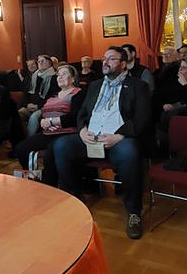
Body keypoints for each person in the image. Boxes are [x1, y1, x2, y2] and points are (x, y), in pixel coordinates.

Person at [51, 46, 151, 239]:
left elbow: (142, 118)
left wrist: (119, 136)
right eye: (104, 58)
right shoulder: (95, 85)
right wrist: (82, 131)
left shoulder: (138, 86)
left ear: (123, 64)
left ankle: (133, 212)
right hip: (91, 137)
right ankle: (74, 196)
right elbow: (82, 114)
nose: (105, 62)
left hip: (118, 138)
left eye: (112, 59)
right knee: (61, 146)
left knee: (129, 152)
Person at [14, 65, 85, 185]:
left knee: (49, 155)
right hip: (48, 132)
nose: (60, 77)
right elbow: (43, 112)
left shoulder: (78, 93)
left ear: (73, 79)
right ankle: (33, 178)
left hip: (67, 133)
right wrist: (43, 122)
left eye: (64, 74)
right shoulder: (53, 96)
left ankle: (50, 185)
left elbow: (75, 117)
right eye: (58, 75)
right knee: (21, 148)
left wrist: (52, 121)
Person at [154, 56, 187, 146]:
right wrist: (164, 105)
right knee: (163, 111)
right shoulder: (174, 79)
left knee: (172, 113)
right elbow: (164, 95)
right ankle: (164, 145)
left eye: (184, 67)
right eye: (180, 66)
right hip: (174, 106)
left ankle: (168, 145)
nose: (180, 69)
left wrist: (185, 84)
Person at [19, 55, 58, 128]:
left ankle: (30, 139)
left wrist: (38, 106)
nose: (40, 63)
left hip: (43, 107)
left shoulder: (54, 78)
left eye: (43, 61)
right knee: (18, 114)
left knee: (34, 118)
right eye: (39, 61)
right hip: (30, 106)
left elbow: (53, 97)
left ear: (49, 63)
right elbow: (26, 93)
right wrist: (27, 104)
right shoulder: (33, 76)